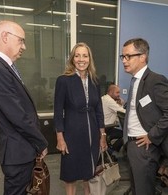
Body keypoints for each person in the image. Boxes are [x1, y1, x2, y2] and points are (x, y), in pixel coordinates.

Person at [0, 20, 48, 195]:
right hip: (18, 153)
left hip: (21, 150)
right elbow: (18, 116)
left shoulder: (1, 67)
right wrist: (41, 143)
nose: (24, 46)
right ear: (5, 37)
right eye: (21, 40)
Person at [121, 38, 168, 194]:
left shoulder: (155, 80)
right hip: (132, 144)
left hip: (145, 146)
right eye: (123, 57)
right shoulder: (135, 81)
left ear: (142, 57)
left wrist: (152, 135)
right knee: (137, 189)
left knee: (144, 191)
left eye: (128, 56)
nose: (124, 61)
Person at [53, 42, 107, 195]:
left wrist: (102, 135)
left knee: (88, 174)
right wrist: (60, 138)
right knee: (70, 176)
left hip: (91, 136)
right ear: (72, 59)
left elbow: (99, 110)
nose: (81, 59)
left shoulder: (95, 81)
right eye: (77, 56)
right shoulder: (63, 80)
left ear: (90, 59)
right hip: (71, 134)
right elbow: (58, 112)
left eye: (85, 55)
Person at [101, 84, 126, 153]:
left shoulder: (105, 98)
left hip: (103, 127)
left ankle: (111, 150)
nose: (119, 95)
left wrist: (120, 104)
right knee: (126, 136)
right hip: (107, 128)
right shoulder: (109, 101)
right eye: (117, 92)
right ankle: (113, 151)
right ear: (111, 92)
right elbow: (123, 112)